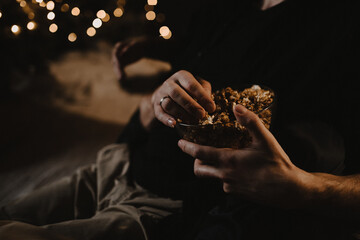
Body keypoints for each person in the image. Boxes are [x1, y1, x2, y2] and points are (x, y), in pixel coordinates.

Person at [1, 0, 360, 239]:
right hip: (120, 163)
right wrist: (161, 52)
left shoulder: (341, 24)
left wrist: (306, 189)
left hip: (166, 209)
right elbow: (223, 51)